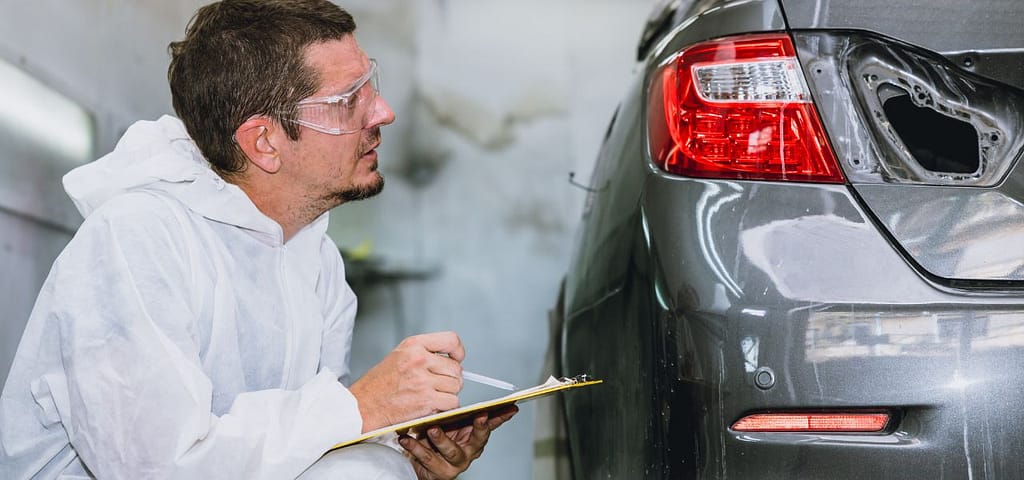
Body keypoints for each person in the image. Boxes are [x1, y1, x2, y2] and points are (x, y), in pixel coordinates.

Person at [0, 1, 515, 478]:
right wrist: (361, 407)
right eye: (346, 100)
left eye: (370, 83)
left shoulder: (312, 253)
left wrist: (406, 458)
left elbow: (300, 452)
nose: (382, 112)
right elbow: (161, 468)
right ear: (264, 142)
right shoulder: (135, 241)